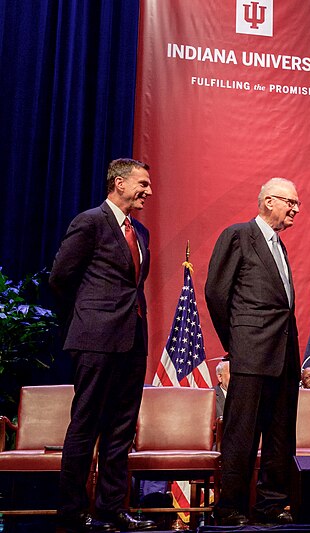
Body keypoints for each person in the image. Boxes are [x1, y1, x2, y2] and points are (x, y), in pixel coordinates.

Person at [50, 158, 157, 532]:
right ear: (118, 183)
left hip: (132, 341)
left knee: (120, 429)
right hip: (95, 338)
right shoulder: (90, 221)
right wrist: (88, 316)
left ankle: (111, 509)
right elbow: (61, 277)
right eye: (142, 184)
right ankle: (72, 512)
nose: (148, 190)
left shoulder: (140, 232)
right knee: (85, 424)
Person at [205, 178, 301, 527]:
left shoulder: (280, 246)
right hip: (250, 354)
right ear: (268, 201)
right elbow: (216, 293)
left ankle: (272, 504)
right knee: (241, 434)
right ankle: (229, 506)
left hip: (284, 355)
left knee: (280, 435)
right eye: (290, 202)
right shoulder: (238, 235)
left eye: (297, 204)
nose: (295, 210)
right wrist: (237, 341)